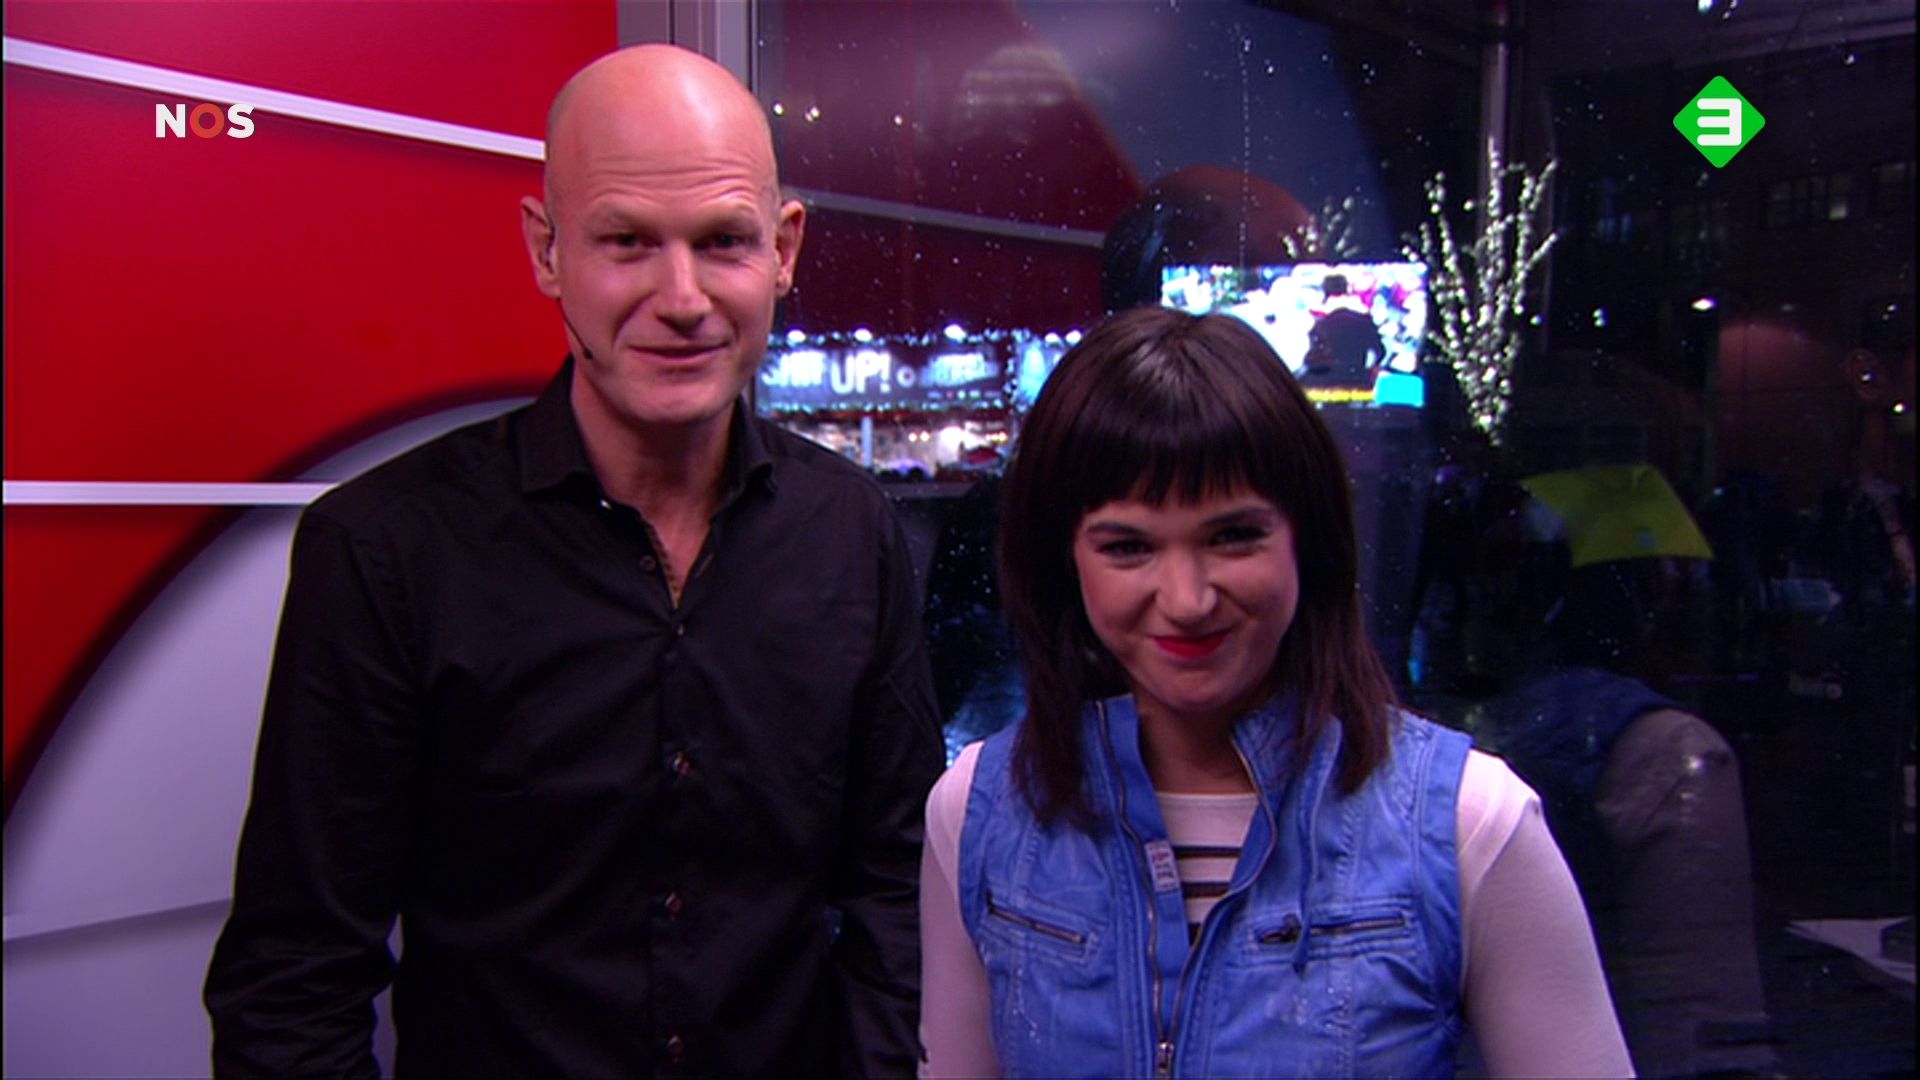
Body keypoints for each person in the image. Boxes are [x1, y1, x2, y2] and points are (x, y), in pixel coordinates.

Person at [205, 44, 942, 1079]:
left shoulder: (849, 530)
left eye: (723, 242)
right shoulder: (386, 550)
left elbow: (896, 897)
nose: (681, 297)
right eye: (627, 241)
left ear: (783, 249)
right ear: (547, 251)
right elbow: (293, 979)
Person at [919, 307, 1633, 1078]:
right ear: (1066, 563)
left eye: (1233, 536)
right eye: (1128, 546)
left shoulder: (1469, 820)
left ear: (1306, 539)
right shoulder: (981, 810)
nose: (1188, 599)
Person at [1300, 272, 1384, 387]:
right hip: (1358, 378)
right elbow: (1380, 351)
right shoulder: (1364, 318)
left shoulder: (1319, 320)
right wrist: (1372, 370)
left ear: (1325, 290)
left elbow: (1311, 356)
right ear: (1346, 288)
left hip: (1327, 381)